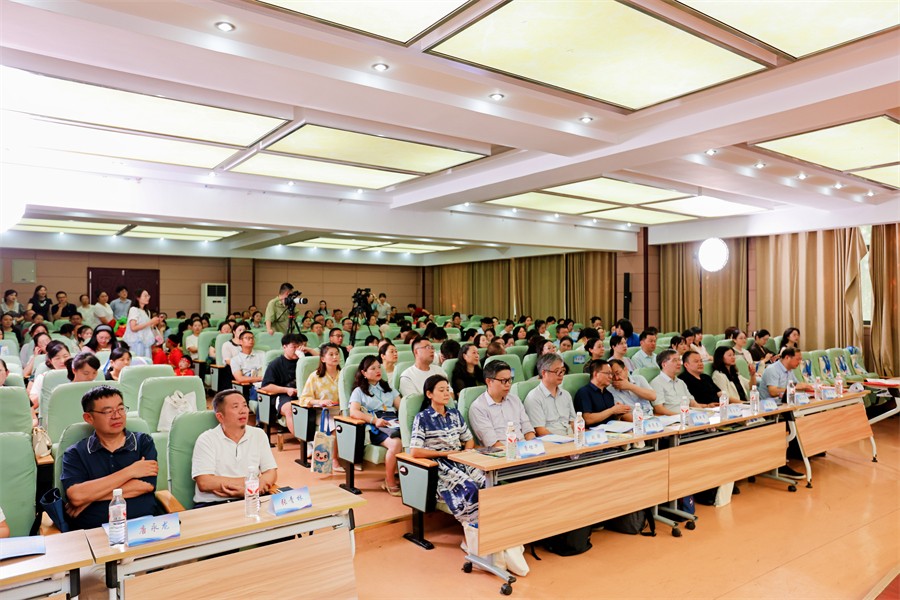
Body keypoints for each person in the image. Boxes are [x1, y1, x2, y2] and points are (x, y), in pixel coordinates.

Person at [60, 386, 157, 529]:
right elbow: (76, 496)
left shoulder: (143, 442)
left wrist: (89, 498)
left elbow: (146, 485)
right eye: (108, 411)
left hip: (142, 526)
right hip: (93, 531)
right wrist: (131, 471)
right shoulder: (75, 453)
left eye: (121, 409)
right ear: (89, 418)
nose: (117, 416)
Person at [409, 375, 483, 525]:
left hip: (460, 459)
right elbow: (415, 451)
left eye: (447, 390)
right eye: (441, 390)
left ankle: (493, 524)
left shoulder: (455, 414)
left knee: (487, 482)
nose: (446, 393)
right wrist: (445, 454)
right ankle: (473, 526)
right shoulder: (422, 418)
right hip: (440, 465)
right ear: (429, 394)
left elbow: (469, 439)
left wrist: (466, 453)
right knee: (469, 487)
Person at [191, 390, 277, 508]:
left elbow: (271, 472)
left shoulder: (259, 434)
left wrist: (253, 488)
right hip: (213, 504)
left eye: (245, 405)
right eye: (235, 407)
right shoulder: (206, 439)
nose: (243, 411)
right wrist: (251, 484)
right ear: (220, 417)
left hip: (252, 499)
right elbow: (205, 482)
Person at [348, 355, 402, 495]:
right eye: (373, 368)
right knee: (396, 443)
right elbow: (353, 412)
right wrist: (374, 420)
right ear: (364, 373)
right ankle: (389, 481)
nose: (378, 370)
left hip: (393, 422)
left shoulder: (388, 388)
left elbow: (402, 408)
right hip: (375, 426)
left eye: (379, 367)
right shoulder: (359, 391)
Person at [467, 361, 535, 447]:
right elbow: (493, 443)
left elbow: (528, 431)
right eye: (503, 381)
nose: (508, 385)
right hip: (503, 451)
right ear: (489, 381)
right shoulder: (478, 407)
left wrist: (534, 447)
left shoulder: (515, 400)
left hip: (524, 448)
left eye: (510, 380)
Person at [523, 353, 576, 436]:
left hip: (571, 438)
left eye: (562, 370)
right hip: (551, 441)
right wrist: (564, 440)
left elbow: (573, 422)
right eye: (557, 371)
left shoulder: (566, 394)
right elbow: (540, 430)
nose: (561, 374)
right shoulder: (534, 397)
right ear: (544, 373)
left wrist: (577, 437)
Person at [572, 359, 630, 426]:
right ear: (596, 374)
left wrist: (618, 413)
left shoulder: (608, 394)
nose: (611, 377)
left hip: (610, 428)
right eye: (607, 373)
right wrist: (612, 410)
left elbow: (610, 418)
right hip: (591, 430)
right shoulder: (584, 392)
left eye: (611, 374)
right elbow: (587, 419)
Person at [650, 350, 707, 415]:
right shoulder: (656, 383)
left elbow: (692, 403)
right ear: (664, 364)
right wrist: (679, 416)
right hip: (671, 418)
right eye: (674, 360)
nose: (679, 363)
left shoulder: (681, 382)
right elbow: (659, 409)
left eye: (679, 360)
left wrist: (704, 413)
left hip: (687, 415)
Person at [28, 340, 71, 408]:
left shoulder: (79, 374)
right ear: (50, 361)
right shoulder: (43, 377)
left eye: (65, 356)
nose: (62, 361)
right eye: (57, 358)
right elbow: (32, 404)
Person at [123, 289, 159, 359]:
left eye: (148, 296)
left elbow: (147, 327)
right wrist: (150, 322)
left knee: (147, 362)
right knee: (138, 361)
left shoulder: (147, 311)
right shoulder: (134, 309)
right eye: (145, 296)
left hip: (146, 342)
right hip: (136, 343)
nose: (148, 297)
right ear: (138, 298)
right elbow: (133, 328)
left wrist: (154, 324)